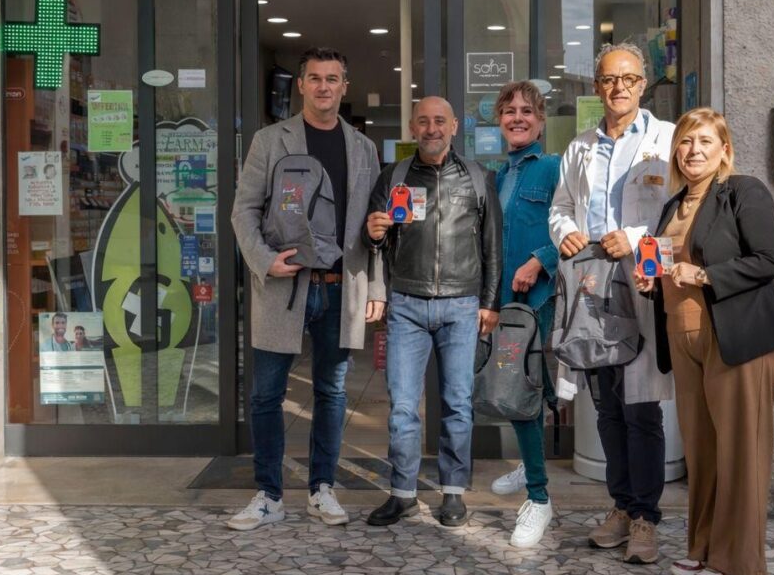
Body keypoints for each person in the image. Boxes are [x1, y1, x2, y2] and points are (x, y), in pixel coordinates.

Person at [634, 108, 774, 575]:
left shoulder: (743, 191)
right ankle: (703, 548)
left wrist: (705, 275)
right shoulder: (673, 205)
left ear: (724, 149)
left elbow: (768, 259)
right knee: (703, 454)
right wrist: (652, 283)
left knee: (740, 454)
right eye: (685, 142)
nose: (693, 151)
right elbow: (672, 268)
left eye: (705, 141)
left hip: (738, 338)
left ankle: (735, 562)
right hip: (684, 340)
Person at [229, 47, 384, 531]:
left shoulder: (363, 148)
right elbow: (243, 210)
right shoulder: (270, 141)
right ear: (300, 86)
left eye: (332, 78)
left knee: (332, 392)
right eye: (314, 78)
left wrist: (376, 286)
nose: (323, 87)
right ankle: (269, 495)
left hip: (341, 287)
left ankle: (322, 489)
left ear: (344, 86)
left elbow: (375, 225)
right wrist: (263, 260)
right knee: (266, 394)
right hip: (283, 285)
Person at [549, 42, 674, 564]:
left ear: (643, 84)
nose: (618, 87)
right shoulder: (579, 147)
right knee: (606, 407)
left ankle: (645, 517)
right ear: (596, 86)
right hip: (592, 287)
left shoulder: (666, 140)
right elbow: (560, 207)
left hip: (640, 283)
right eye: (608, 79)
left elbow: (680, 212)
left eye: (628, 78)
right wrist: (566, 232)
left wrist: (637, 236)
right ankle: (621, 507)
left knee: (641, 408)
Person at [363, 97, 502, 529]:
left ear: (454, 126)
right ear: (412, 127)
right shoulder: (394, 176)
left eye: (439, 121)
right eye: (423, 121)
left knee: (457, 404)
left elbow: (493, 246)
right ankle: (402, 494)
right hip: (406, 304)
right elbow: (376, 241)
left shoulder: (477, 177)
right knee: (403, 407)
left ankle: (453, 493)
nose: (431, 128)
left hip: (462, 305)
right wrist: (373, 233)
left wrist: (489, 303)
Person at [488, 81, 561, 548]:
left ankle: (539, 497)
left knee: (521, 388)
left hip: (536, 299)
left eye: (527, 111)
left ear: (541, 121)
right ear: (499, 121)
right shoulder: (498, 175)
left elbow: (573, 226)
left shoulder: (553, 168)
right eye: (510, 111)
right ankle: (530, 459)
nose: (518, 118)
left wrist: (539, 260)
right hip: (502, 301)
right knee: (526, 385)